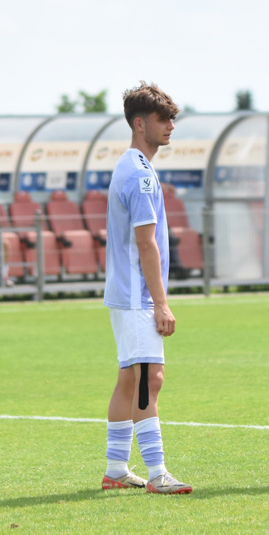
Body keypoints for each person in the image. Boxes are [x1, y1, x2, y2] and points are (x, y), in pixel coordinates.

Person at [101, 82, 192, 495]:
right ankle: (157, 473)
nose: (170, 126)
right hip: (136, 295)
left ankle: (116, 469)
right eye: (162, 119)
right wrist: (161, 303)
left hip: (127, 293)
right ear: (140, 124)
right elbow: (145, 243)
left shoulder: (133, 165)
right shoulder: (140, 174)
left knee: (130, 378)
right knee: (147, 379)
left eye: (172, 118)